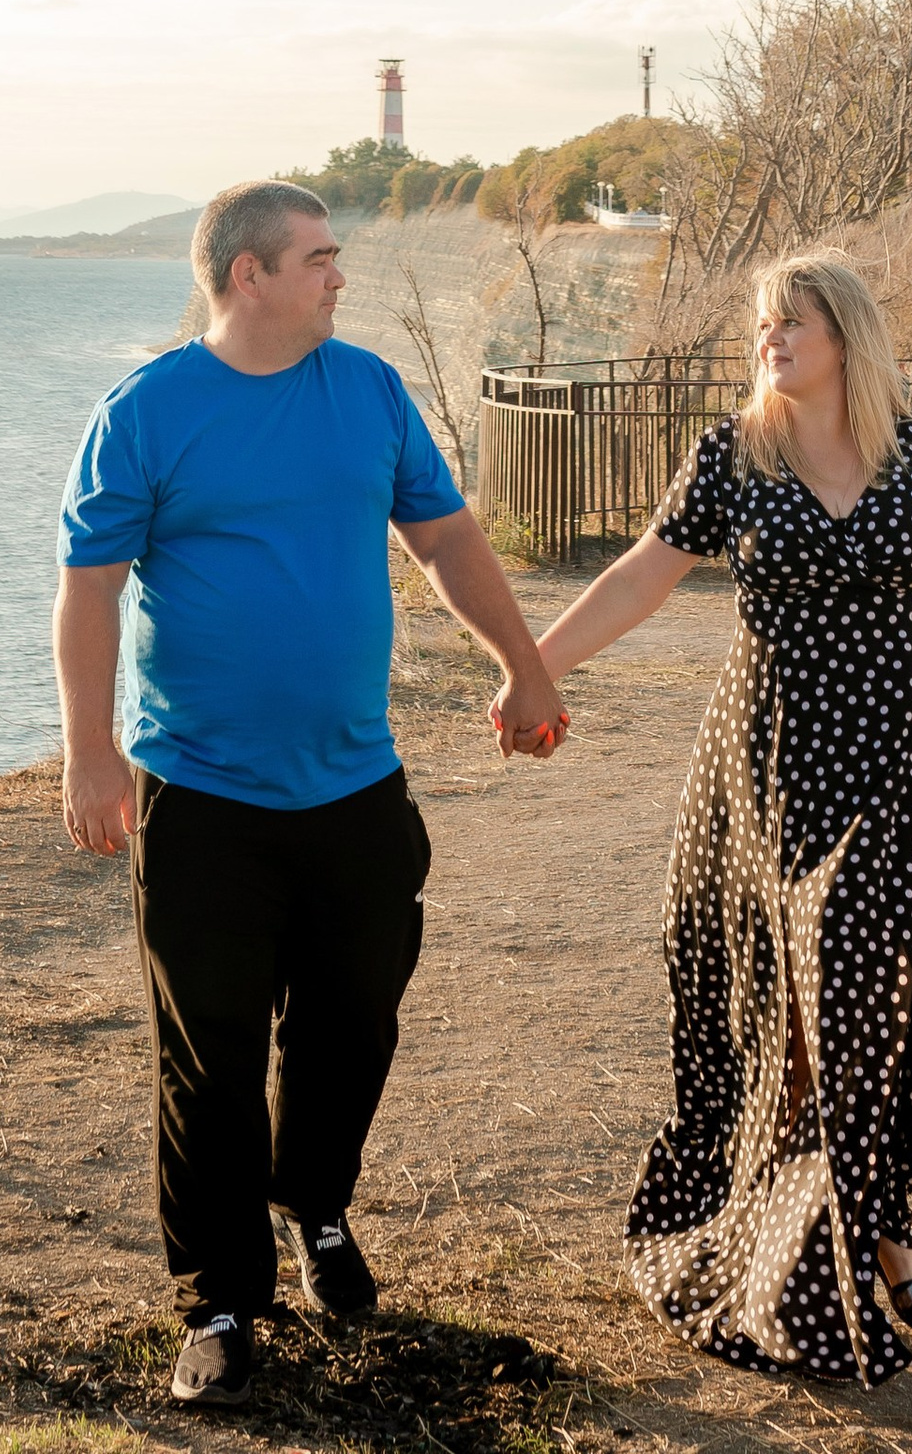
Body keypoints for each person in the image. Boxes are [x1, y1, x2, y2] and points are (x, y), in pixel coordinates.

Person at [55, 178, 569, 1410]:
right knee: (210, 1054)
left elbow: (443, 540)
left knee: (354, 1024)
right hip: (201, 796)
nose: (341, 276)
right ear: (248, 275)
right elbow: (89, 591)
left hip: (354, 786)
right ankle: (223, 1299)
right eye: (320, 257)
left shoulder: (370, 392)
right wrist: (89, 753)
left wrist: (524, 662)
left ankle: (313, 1203)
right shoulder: (150, 410)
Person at [529, 252, 912, 1387]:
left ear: (846, 335)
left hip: (897, 760)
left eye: (790, 324)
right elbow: (642, 577)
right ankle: (858, 1247)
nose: (770, 342)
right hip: (769, 767)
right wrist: (532, 668)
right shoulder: (732, 457)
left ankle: (866, 1220)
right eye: (761, 328)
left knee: (892, 1002)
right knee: (791, 1008)